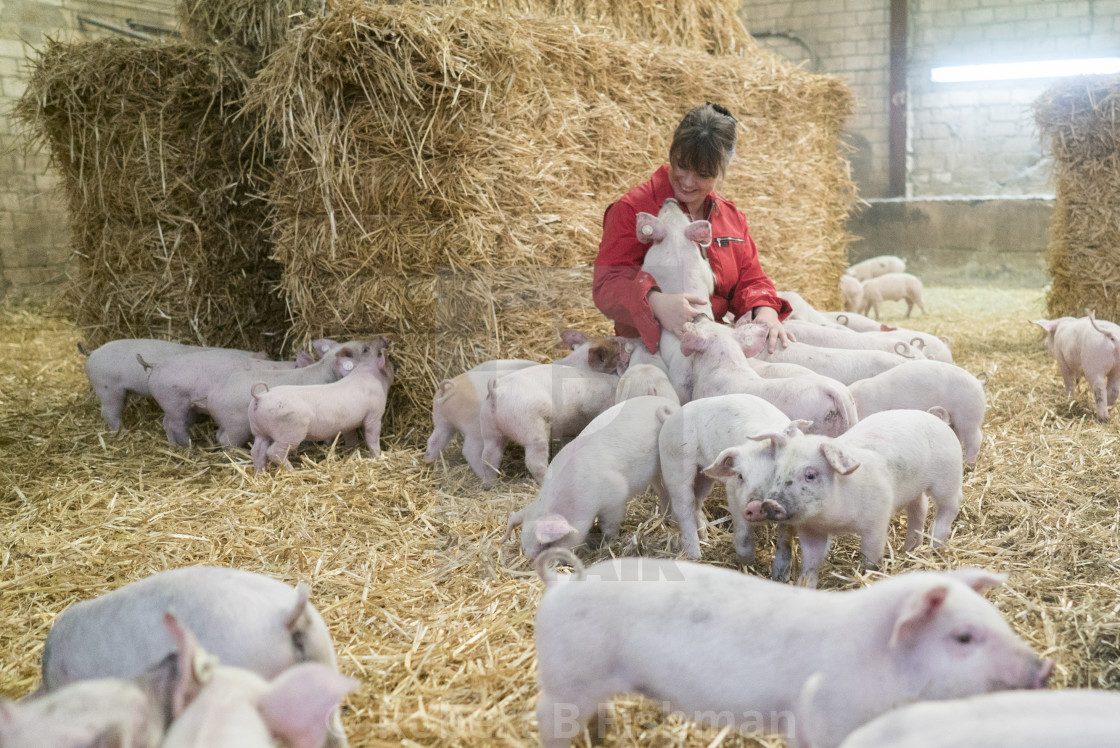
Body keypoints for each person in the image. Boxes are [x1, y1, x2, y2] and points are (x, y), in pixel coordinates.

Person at [592, 102, 794, 355]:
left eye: (703, 173)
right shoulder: (632, 209)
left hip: (712, 340)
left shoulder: (730, 217)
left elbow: (751, 279)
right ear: (671, 152)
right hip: (649, 348)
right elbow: (607, 285)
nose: (687, 182)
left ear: (722, 170)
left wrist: (764, 310)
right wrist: (655, 302)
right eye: (682, 166)